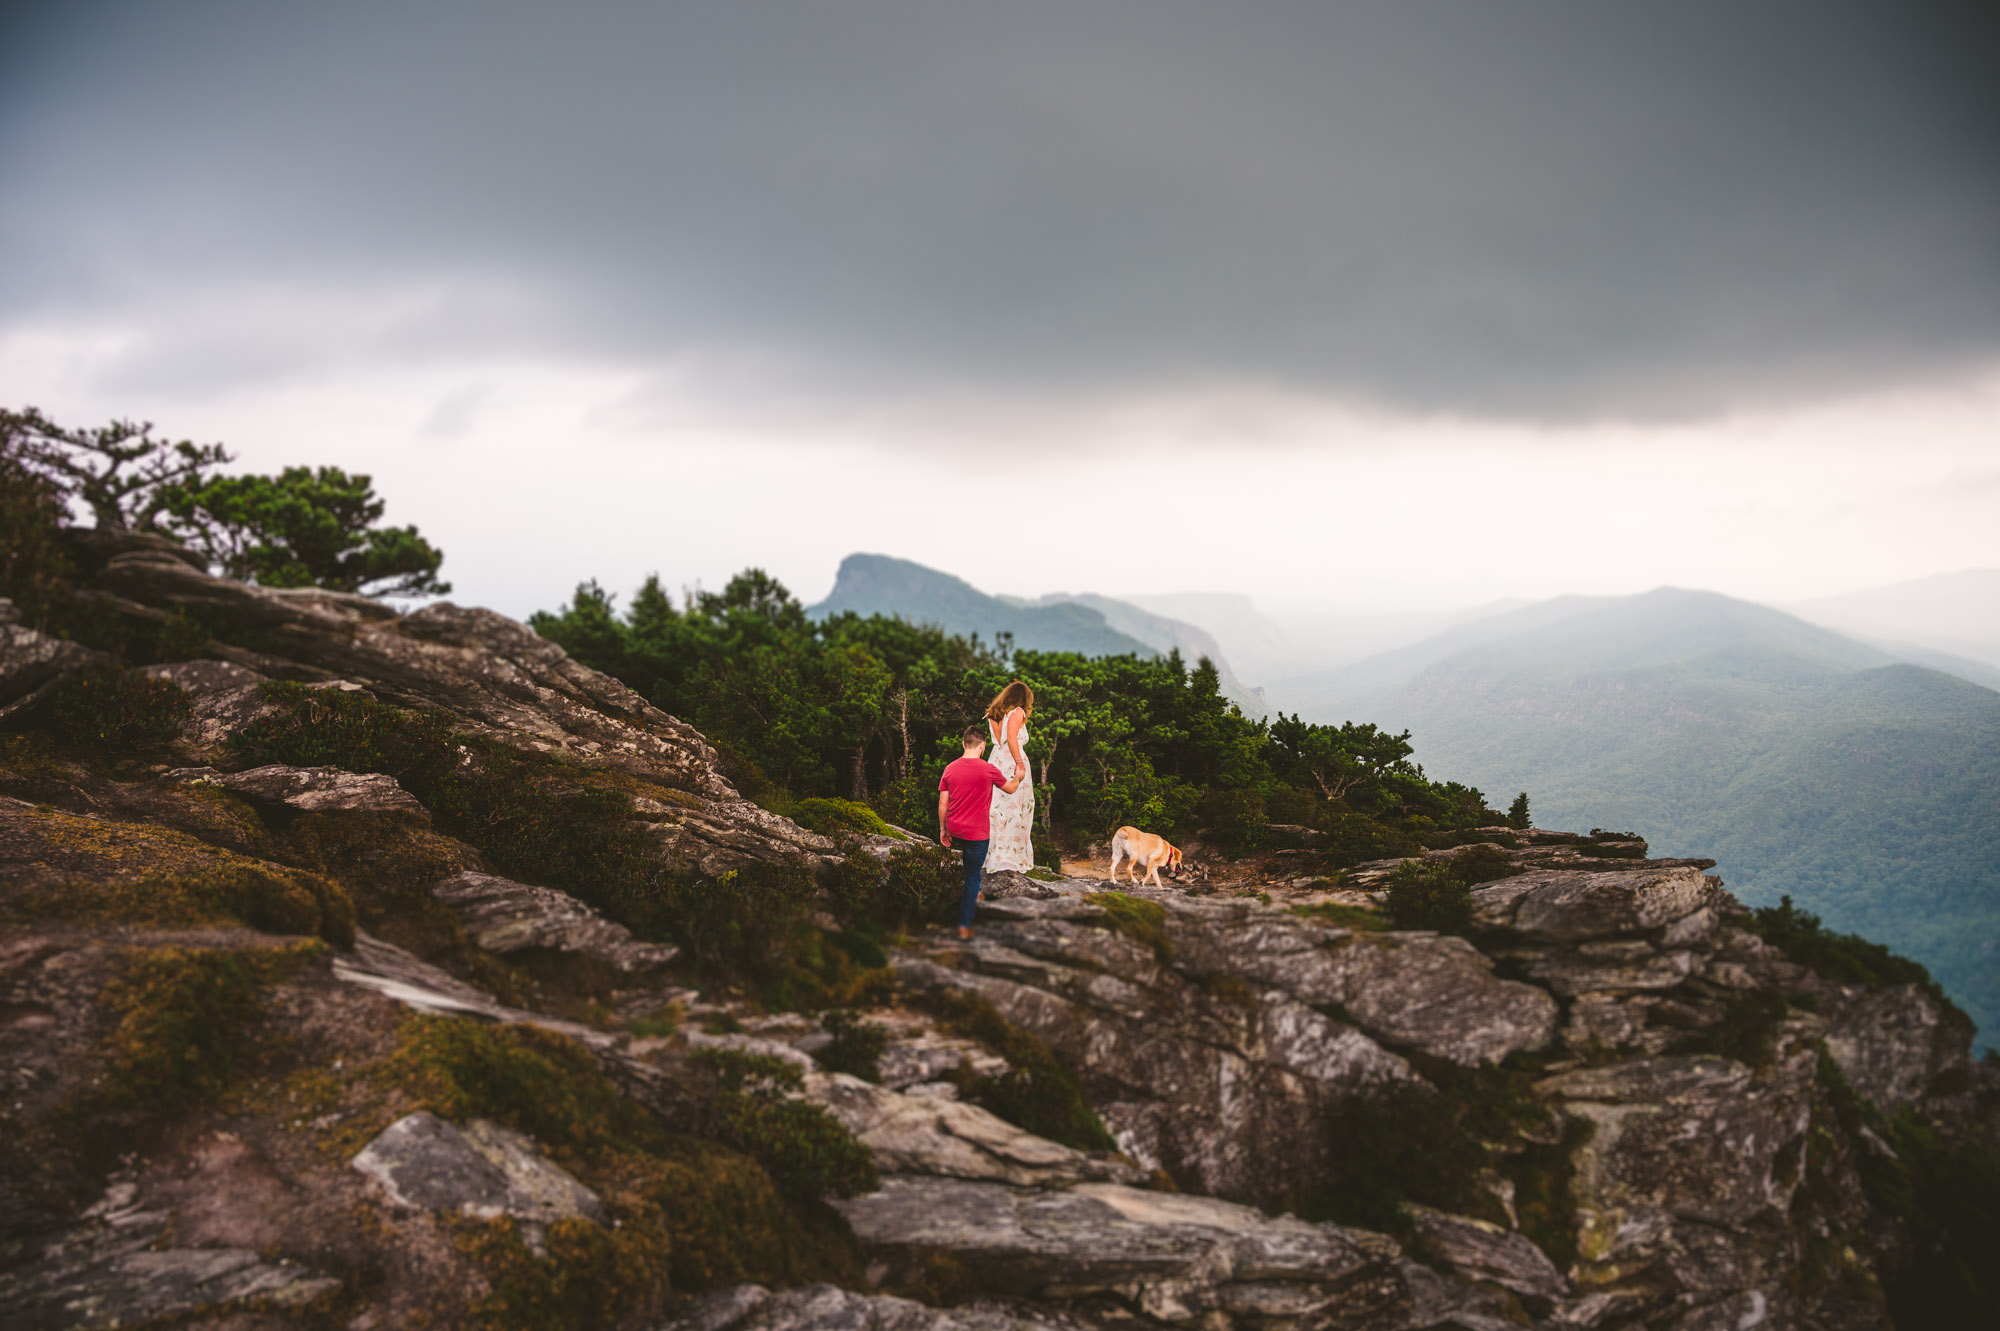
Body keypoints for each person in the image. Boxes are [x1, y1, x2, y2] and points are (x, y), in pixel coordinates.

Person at [938, 723, 1025, 940]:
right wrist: (1019, 776)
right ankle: (964, 925)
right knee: (973, 875)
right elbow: (1011, 789)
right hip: (977, 833)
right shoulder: (988, 769)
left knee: (969, 866)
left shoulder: (950, 768)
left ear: (963, 743)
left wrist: (944, 829)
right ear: (982, 746)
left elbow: (942, 804)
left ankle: (972, 895)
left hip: (955, 828)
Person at [982, 679, 1036, 874]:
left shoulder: (993, 713)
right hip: (1011, 761)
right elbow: (1011, 738)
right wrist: (1019, 763)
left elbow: (998, 740)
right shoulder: (1017, 712)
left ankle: (993, 856)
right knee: (1016, 809)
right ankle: (1009, 858)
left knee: (996, 810)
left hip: (995, 760)